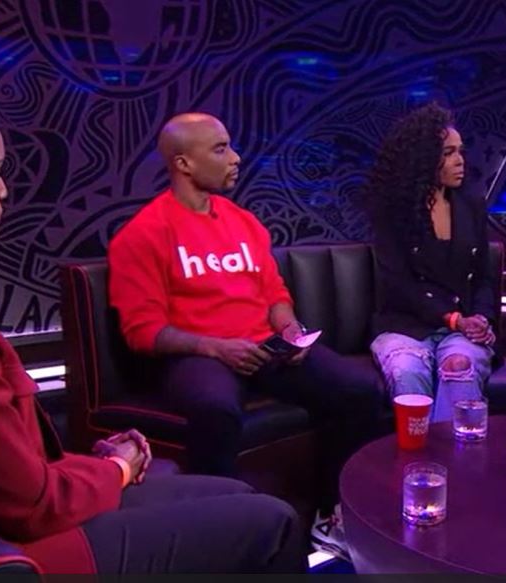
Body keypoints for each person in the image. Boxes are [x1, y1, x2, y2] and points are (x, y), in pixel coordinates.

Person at [0, 38, 305, 573]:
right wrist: (118, 467)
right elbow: (31, 505)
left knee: (238, 493)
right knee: (274, 521)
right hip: (19, 549)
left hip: (9, 506)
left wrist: (100, 464)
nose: (3, 191)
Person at [107, 112, 382, 559]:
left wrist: (289, 329)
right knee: (215, 409)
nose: (236, 158)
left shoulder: (244, 222)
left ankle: (331, 517)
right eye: (221, 149)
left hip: (263, 347)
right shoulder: (143, 235)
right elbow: (143, 331)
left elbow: (275, 294)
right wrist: (215, 347)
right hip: (196, 355)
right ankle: (221, 542)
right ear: (183, 163)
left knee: (360, 389)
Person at [364, 103, 497, 422]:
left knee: (458, 366)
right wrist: (453, 319)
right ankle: (416, 452)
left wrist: (480, 319)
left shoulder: (471, 206)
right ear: (423, 159)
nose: (460, 160)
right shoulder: (392, 211)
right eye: (449, 153)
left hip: (462, 330)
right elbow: (400, 284)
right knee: (408, 370)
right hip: (405, 326)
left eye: (460, 151)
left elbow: (482, 277)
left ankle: (454, 451)